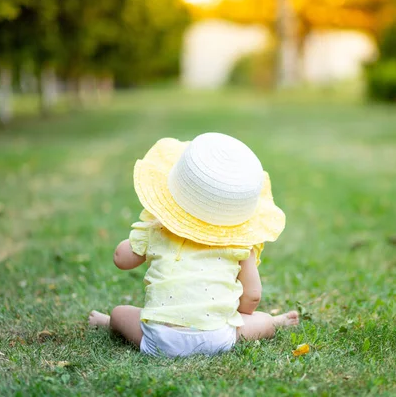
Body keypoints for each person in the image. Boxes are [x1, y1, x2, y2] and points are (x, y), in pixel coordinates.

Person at [89, 132, 299, 357]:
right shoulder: (240, 243)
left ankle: (108, 321)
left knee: (121, 313)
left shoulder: (157, 229)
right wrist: (237, 315)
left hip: (160, 338)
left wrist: (146, 228)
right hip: (219, 337)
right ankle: (274, 322)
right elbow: (253, 296)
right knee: (262, 322)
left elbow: (121, 258)